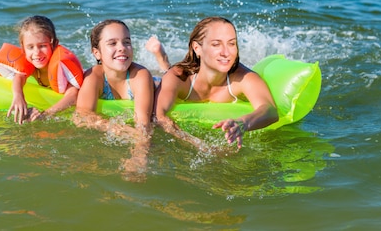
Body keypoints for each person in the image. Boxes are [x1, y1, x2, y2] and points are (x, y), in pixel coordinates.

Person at [152, 16, 278, 149]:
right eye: (216, 44)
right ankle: (161, 57)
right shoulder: (179, 77)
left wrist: (243, 123)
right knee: (164, 73)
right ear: (197, 48)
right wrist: (199, 145)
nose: (226, 52)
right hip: (170, 77)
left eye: (231, 43)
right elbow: (158, 115)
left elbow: (270, 110)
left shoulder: (243, 77)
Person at [73, 19, 155, 180]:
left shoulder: (140, 75)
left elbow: (143, 123)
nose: (122, 48)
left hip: (155, 84)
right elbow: (81, 117)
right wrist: (120, 130)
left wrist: (139, 154)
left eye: (127, 42)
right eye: (112, 43)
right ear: (97, 53)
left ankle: (160, 56)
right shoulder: (94, 76)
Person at [5, 15, 82, 124]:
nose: (36, 53)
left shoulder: (61, 68)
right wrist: (18, 96)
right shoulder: (31, 64)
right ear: (23, 48)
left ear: (54, 44)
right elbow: (20, 76)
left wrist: (45, 114)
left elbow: (73, 96)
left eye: (42, 46)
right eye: (30, 47)